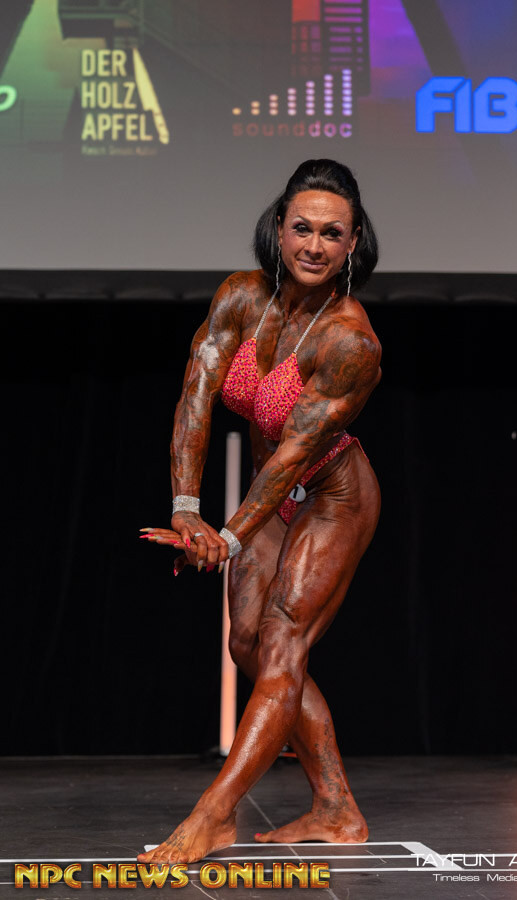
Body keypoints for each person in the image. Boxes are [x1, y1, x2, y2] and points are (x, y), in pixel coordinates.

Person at [138, 159, 382, 864]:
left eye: (331, 234)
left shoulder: (350, 340)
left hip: (333, 494)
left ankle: (212, 817)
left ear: (353, 243)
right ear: (278, 228)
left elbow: (290, 457)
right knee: (245, 643)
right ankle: (336, 808)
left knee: (281, 641)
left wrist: (228, 535)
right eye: (302, 228)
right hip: (272, 498)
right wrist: (188, 511)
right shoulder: (242, 297)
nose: (314, 245)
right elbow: (195, 396)